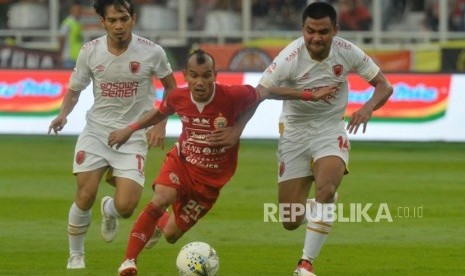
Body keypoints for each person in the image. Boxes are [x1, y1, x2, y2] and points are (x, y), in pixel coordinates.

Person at [108, 49, 339, 276]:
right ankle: (129, 262)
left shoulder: (232, 95)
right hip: (182, 162)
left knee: (171, 235)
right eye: (194, 75)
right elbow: (159, 113)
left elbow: (266, 92)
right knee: (161, 198)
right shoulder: (177, 97)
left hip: (209, 181)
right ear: (185, 75)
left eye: (206, 75)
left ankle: (159, 224)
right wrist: (130, 130)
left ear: (215, 75)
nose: (200, 82)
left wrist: (310, 96)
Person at [208, 2, 393, 276]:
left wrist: (367, 108)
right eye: (310, 31)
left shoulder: (347, 51)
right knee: (290, 220)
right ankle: (321, 207)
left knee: (326, 189)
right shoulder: (289, 57)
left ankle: (305, 263)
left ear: (335, 31)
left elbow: (384, 85)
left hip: (330, 129)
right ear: (302, 29)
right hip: (294, 132)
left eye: (323, 31)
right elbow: (260, 93)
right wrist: (237, 130)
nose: (316, 38)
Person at [48, 0, 177, 270]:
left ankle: (110, 210)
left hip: (133, 134)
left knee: (127, 206)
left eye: (123, 19)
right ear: (102, 23)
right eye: (113, 20)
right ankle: (76, 255)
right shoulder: (90, 52)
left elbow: (171, 88)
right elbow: (75, 89)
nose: (119, 26)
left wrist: (160, 123)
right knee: (85, 194)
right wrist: (63, 114)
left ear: (133, 19)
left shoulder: (152, 52)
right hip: (97, 132)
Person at [59, 1, 84, 69]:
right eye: (76, 10)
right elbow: (61, 37)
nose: (78, 13)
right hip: (69, 57)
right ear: (71, 11)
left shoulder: (78, 23)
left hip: (77, 57)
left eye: (79, 11)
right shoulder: (67, 23)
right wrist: (61, 53)